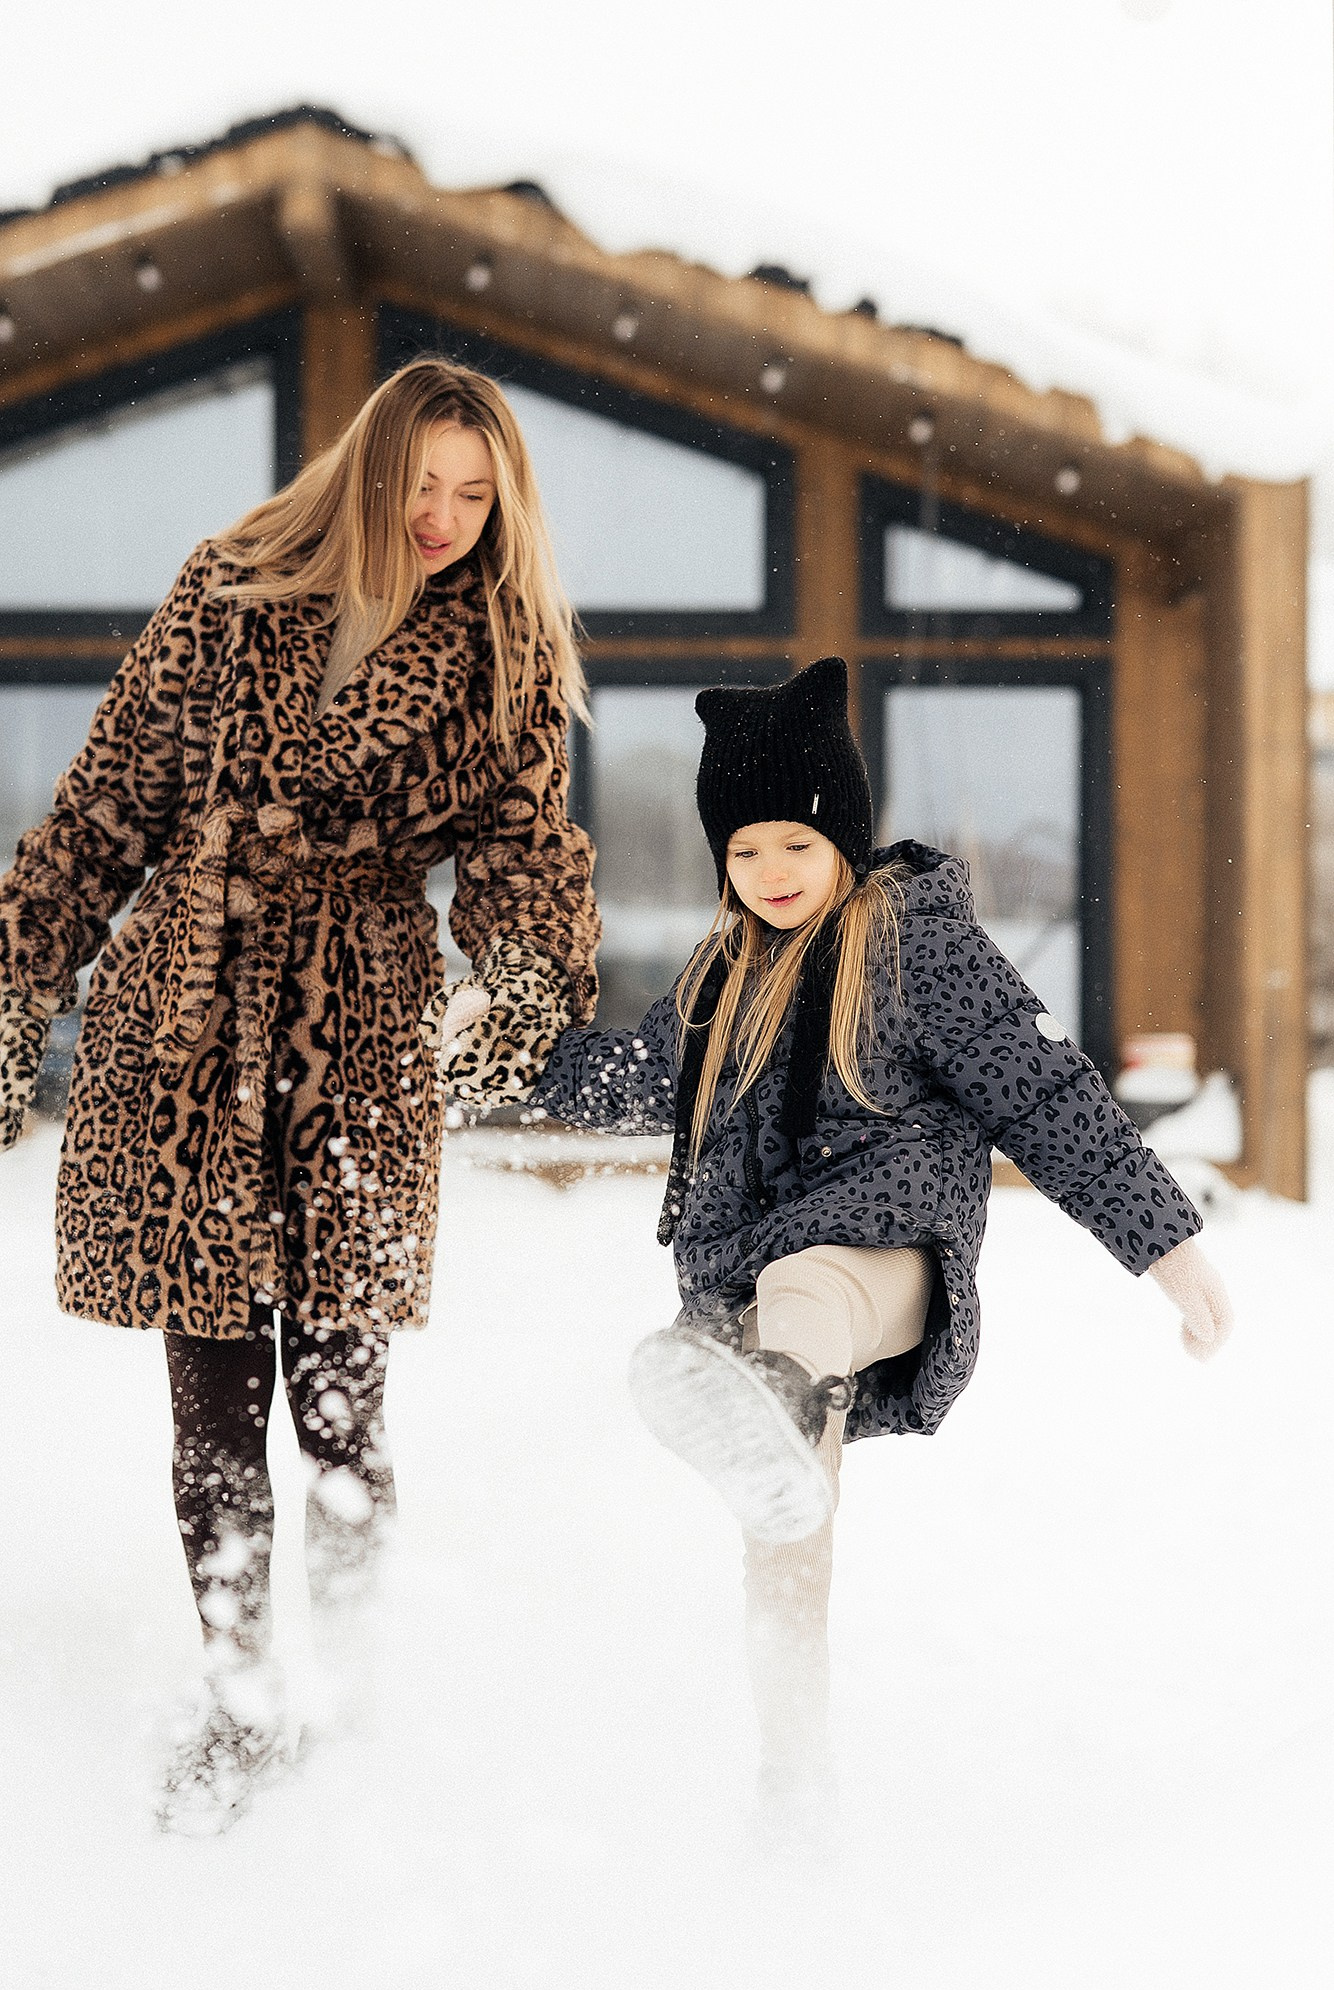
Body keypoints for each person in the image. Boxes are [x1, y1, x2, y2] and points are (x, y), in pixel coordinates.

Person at [476, 655, 1231, 1850]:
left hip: (887, 1268)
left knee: (805, 1283)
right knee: (785, 1536)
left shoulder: (920, 950)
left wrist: (1168, 1251)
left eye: (794, 842)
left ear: (842, 834)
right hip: (756, 1312)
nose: (769, 871)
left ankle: (769, 1394)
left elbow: (1046, 1095)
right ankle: (793, 1780)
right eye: (743, 850)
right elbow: (629, 1077)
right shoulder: (721, 976)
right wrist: (498, 1055)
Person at [0, 357, 600, 1832]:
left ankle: (352, 1703)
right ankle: (240, 1704)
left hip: (359, 1038)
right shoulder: (226, 591)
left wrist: (520, 987)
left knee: (340, 1399)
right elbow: (103, 810)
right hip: (188, 1030)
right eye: (424, 485)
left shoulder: (504, 653)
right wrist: (15, 987)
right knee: (213, 1403)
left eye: (476, 495)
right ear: (368, 473)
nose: (445, 517)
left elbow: (524, 856)